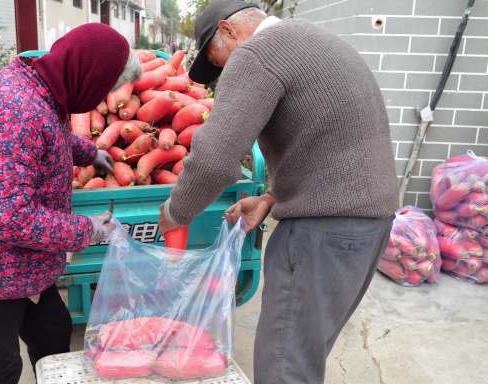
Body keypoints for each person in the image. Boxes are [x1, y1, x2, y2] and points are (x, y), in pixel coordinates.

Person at [158, 1, 398, 383]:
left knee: (285, 368)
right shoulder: (312, 39)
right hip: (367, 226)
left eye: (216, 60)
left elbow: (214, 159)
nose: (221, 71)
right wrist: (273, 197)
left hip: (323, 234)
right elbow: (328, 139)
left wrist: (175, 213)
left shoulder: (257, 52)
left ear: (229, 30)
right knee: (304, 353)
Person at [0, 23, 140, 384]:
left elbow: (46, 137)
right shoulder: (12, 109)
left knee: (54, 337)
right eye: (105, 86)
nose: (102, 94)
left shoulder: (44, 88)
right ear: (88, 74)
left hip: (23, 268)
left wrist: (90, 152)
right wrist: (84, 229)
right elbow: (6, 217)